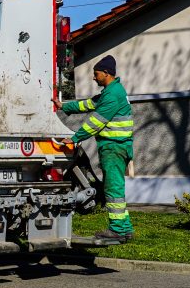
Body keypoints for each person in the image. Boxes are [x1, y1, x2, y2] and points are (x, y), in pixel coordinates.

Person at [52, 55, 134, 242]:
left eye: (96, 74)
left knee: (113, 190)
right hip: (116, 147)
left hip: (114, 148)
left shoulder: (112, 95)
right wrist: (64, 106)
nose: (94, 77)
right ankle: (125, 228)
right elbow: (88, 104)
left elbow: (95, 123)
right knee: (116, 189)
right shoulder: (111, 92)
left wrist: (74, 139)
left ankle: (118, 229)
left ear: (106, 73)